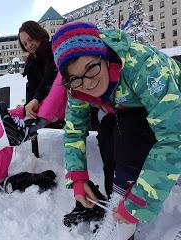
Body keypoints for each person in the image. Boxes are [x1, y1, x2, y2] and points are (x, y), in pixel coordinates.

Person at [51, 21, 181, 239]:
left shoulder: (143, 65)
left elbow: (174, 136)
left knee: (129, 128)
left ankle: (127, 207)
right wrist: (77, 176)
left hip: (173, 112)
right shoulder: (76, 87)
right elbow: (74, 129)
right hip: (135, 111)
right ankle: (117, 207)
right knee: (108, 131)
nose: (88, 83)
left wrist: (140, 202)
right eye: (75, 79)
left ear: (105, 56)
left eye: (91, 68)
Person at [0, 21, 70, 193]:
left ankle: (22, 131)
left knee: (8, 124)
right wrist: (27, 106)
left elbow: (52, 79)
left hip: (58, 106)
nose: (29, 45)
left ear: (38, 33)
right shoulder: (34, 60)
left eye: (30, 39)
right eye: (25, 43)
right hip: (39, 106)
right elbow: (34, 88)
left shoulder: (53, 51)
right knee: (3, 122)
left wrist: (34, 101)